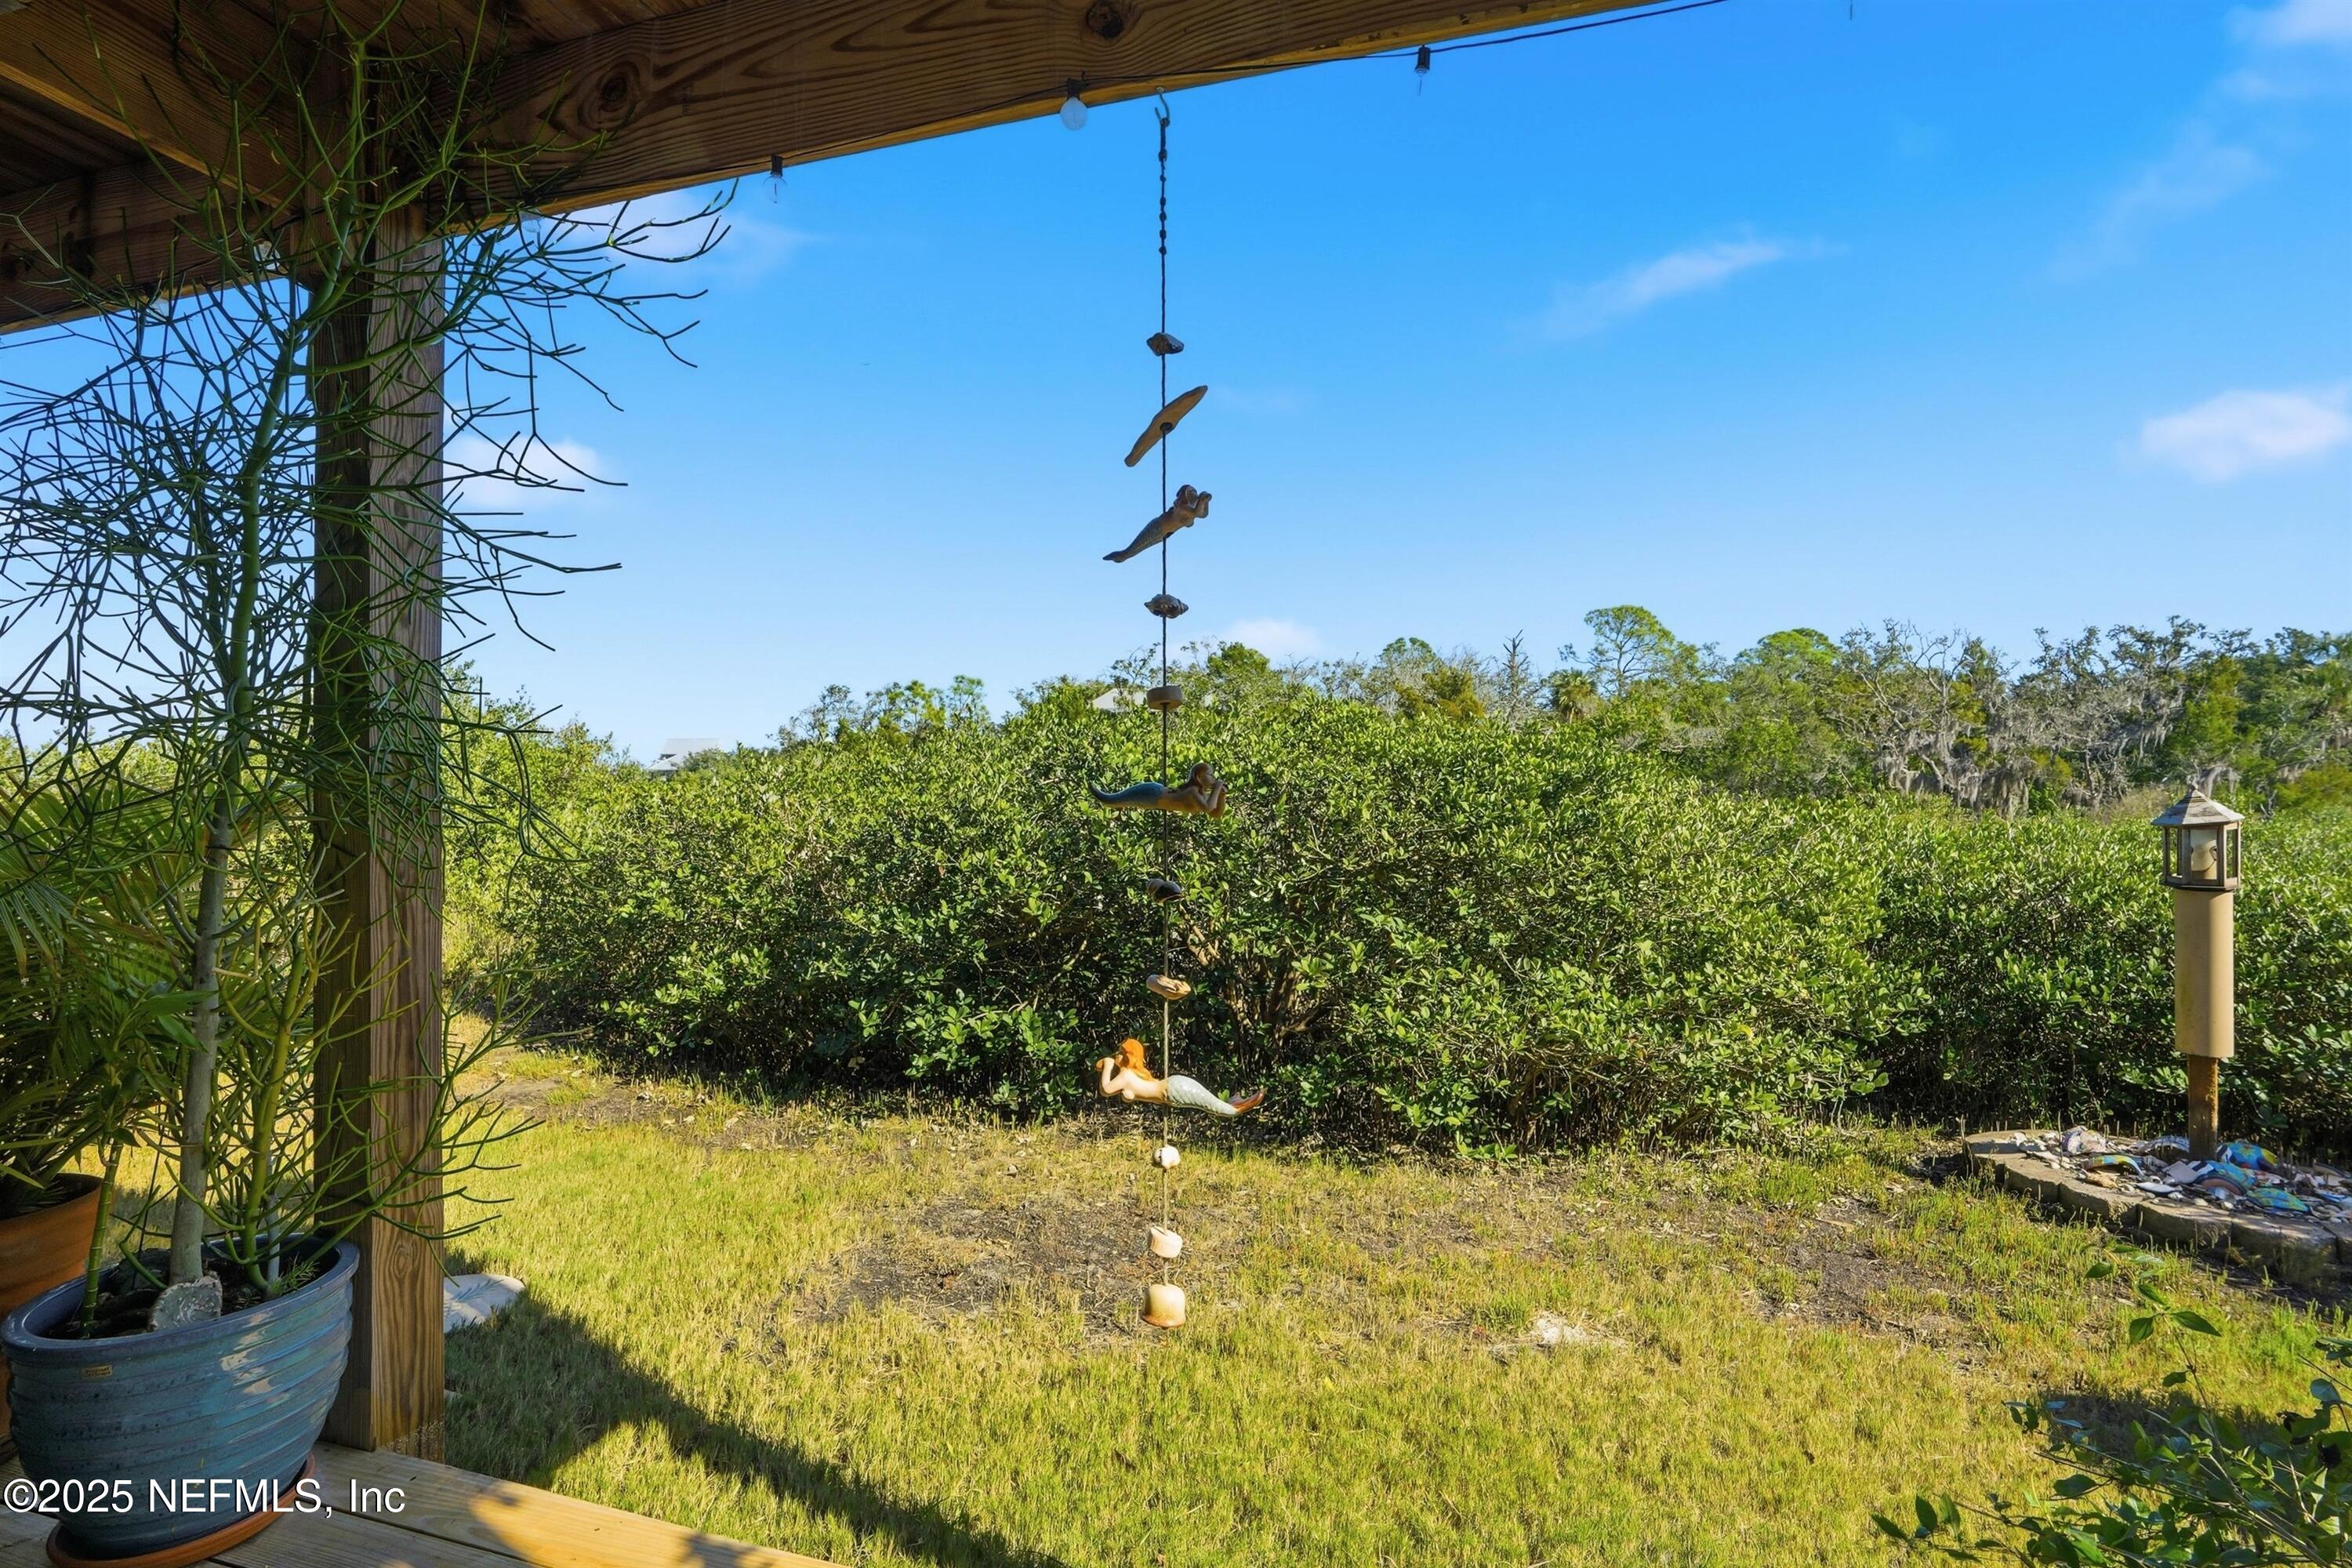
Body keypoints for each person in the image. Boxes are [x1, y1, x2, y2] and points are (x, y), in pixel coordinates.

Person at [1094, 1036, 1262, 1116]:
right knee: (1211, 1104)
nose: (1116, 1056)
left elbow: (1105, 1090)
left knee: (1214, 1107)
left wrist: (1108, 1065)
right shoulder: (1132, 1075)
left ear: (1127, 1056)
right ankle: (1234, 1103)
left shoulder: (1126, 1075)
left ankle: (1237, 1107)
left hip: (1173, 1090)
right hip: (1172, 1086)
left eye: (1119, 1053)